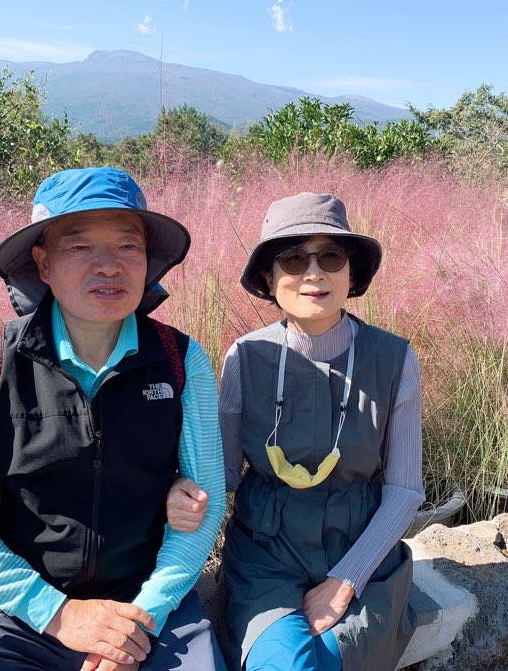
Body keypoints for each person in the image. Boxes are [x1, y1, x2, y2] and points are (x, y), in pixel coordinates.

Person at [0, 167, 227, 671]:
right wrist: (60, 615)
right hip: (13, 606)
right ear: (43, 262)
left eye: (128, 246)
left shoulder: (181, 360)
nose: (109, 266)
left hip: (145, 599)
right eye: (80, 246)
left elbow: (204, 503)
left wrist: (139, 623)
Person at [167, 192, 425, 671]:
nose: (313, 274)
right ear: (269, 277)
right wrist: (178, 487)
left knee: (331, 657)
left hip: (362, 554)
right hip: (266, 556)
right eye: (292, 259)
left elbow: (405, 491)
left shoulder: (394, 360)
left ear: (351, 273)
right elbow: (222, 475)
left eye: (331, 257)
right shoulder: (245, 357)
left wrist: (345, 581)